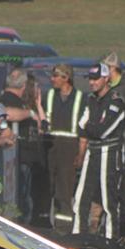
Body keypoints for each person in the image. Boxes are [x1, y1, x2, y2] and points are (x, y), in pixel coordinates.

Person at [72, 63, 125, 241]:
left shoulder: (116, 100)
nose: (92, 83)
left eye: (96, 79)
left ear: (106, 79)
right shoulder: (90, 99)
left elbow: (103, 131)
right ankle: (77, 238)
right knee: (81, 198)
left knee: (109, 201)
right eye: (90, 79)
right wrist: (91, 128)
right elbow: (81, 126)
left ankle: (111, 241)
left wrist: (91, 127)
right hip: (92, 152)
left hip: (110, 154)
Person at [41, 63, 87, 229]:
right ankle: (44, 226)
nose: (52, 79)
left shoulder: (81, 98)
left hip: (70, 148)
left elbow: (84, 131)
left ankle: (64, 229)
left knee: (64, 192)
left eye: (55, 76)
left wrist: (81, 154)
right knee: (47, 188)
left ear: (66, 78)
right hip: (50, 146)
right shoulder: (49, 96)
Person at [102, 52, 125, 242]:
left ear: (113, 69)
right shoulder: (106, 88)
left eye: (106, 68)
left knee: (118, 189)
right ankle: (107, 226)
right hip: (106, 147)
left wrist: (124, 145)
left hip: (121, 147)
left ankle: (122, 229)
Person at [0, 68, 42, 220]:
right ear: (23, 85)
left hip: (25, 159)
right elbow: (6, 113)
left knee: (25, 199)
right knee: (20, 201)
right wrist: (29, 114)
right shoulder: (5, 100)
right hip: (16, 160)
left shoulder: (22, 102)